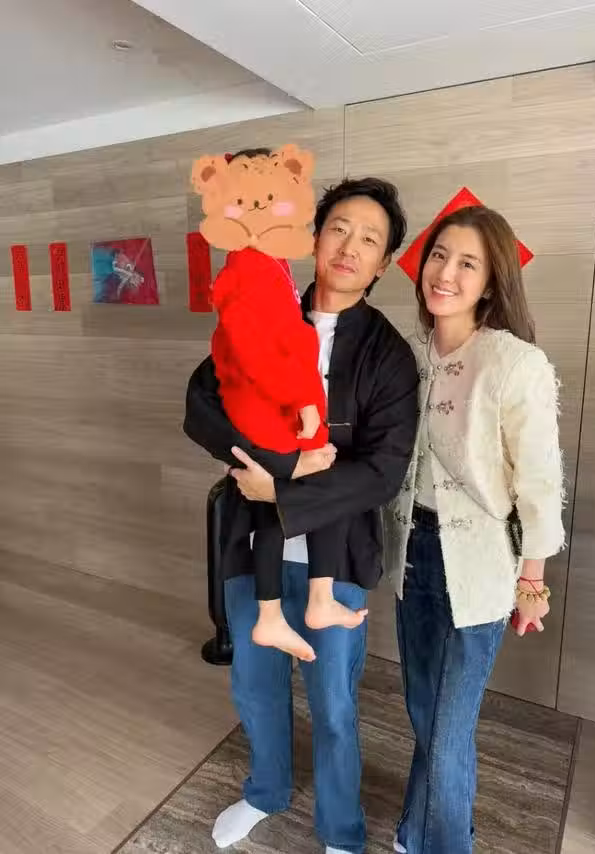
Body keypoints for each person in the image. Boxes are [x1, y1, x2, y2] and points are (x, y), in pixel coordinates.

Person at [183, 176, 419, 854]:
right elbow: (201, 406)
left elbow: (383, 470)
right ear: (312, 237)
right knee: (255, 689)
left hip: (335, 561)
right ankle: (266, 791)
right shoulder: (263, 309)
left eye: (369, 239)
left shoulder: (388, 355)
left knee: (335, 705)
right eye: (339, 228)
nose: (349, 246)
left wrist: (280, 493)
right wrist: (276, 470)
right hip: (250, 546)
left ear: (383, 264)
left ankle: (341, 830)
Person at [383, 205, 565, 854]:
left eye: (468, 263)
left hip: (479, 564)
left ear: (491, 282)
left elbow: (539, 482)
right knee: (425, 714)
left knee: (448, 729)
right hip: (410, 551)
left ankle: (441, 843)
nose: (446, 273)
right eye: (439, 255)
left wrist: (532, 582)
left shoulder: (515, 363)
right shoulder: (406, 357)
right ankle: (415, 833)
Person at [191, 145, 367, 664]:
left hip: (265, 408)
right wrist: (301, 404)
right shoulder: (250, 268)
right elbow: (254, 353)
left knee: (280, 501)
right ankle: (305, 604)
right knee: (313, 484)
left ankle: (291, 609)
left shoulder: (266, 265)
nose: (262, 210)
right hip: (267, 409)